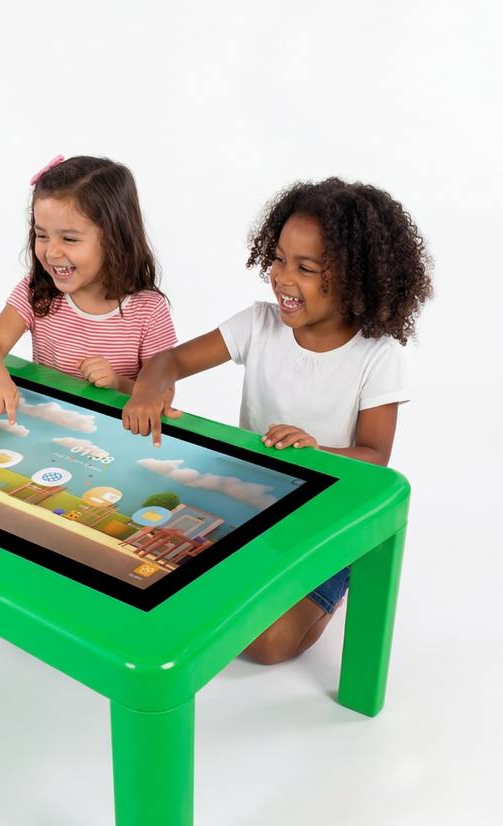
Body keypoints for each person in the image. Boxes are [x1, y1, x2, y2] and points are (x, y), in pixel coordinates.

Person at [122, 177, 433, 664]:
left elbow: (376, 456)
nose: (283, 278)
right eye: (280, 258)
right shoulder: (258, 324)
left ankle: (338, 577)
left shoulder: (377, 356)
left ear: (357, 279)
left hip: (324, 519)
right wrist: (146, 391)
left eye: (305, 268)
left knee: (266, 644)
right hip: (252, 502)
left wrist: (316, 452)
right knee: (145, 569)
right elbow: (170, 361)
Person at [0, 154, 178, 422]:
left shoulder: (148, 310)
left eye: (69, 239)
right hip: (50, 427)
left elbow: (164, 395)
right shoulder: (37, 291)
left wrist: (117, 383)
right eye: (42, 235)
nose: (52, 252)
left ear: (114, 239)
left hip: (118, 433)